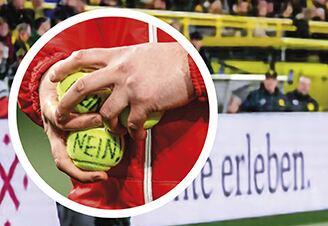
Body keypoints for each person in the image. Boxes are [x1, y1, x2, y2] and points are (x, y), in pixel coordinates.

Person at [19, 24, 210, 209]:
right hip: (96, 198)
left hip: (187, 189)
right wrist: (46, 75)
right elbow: (58, 43)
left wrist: (191, 69)